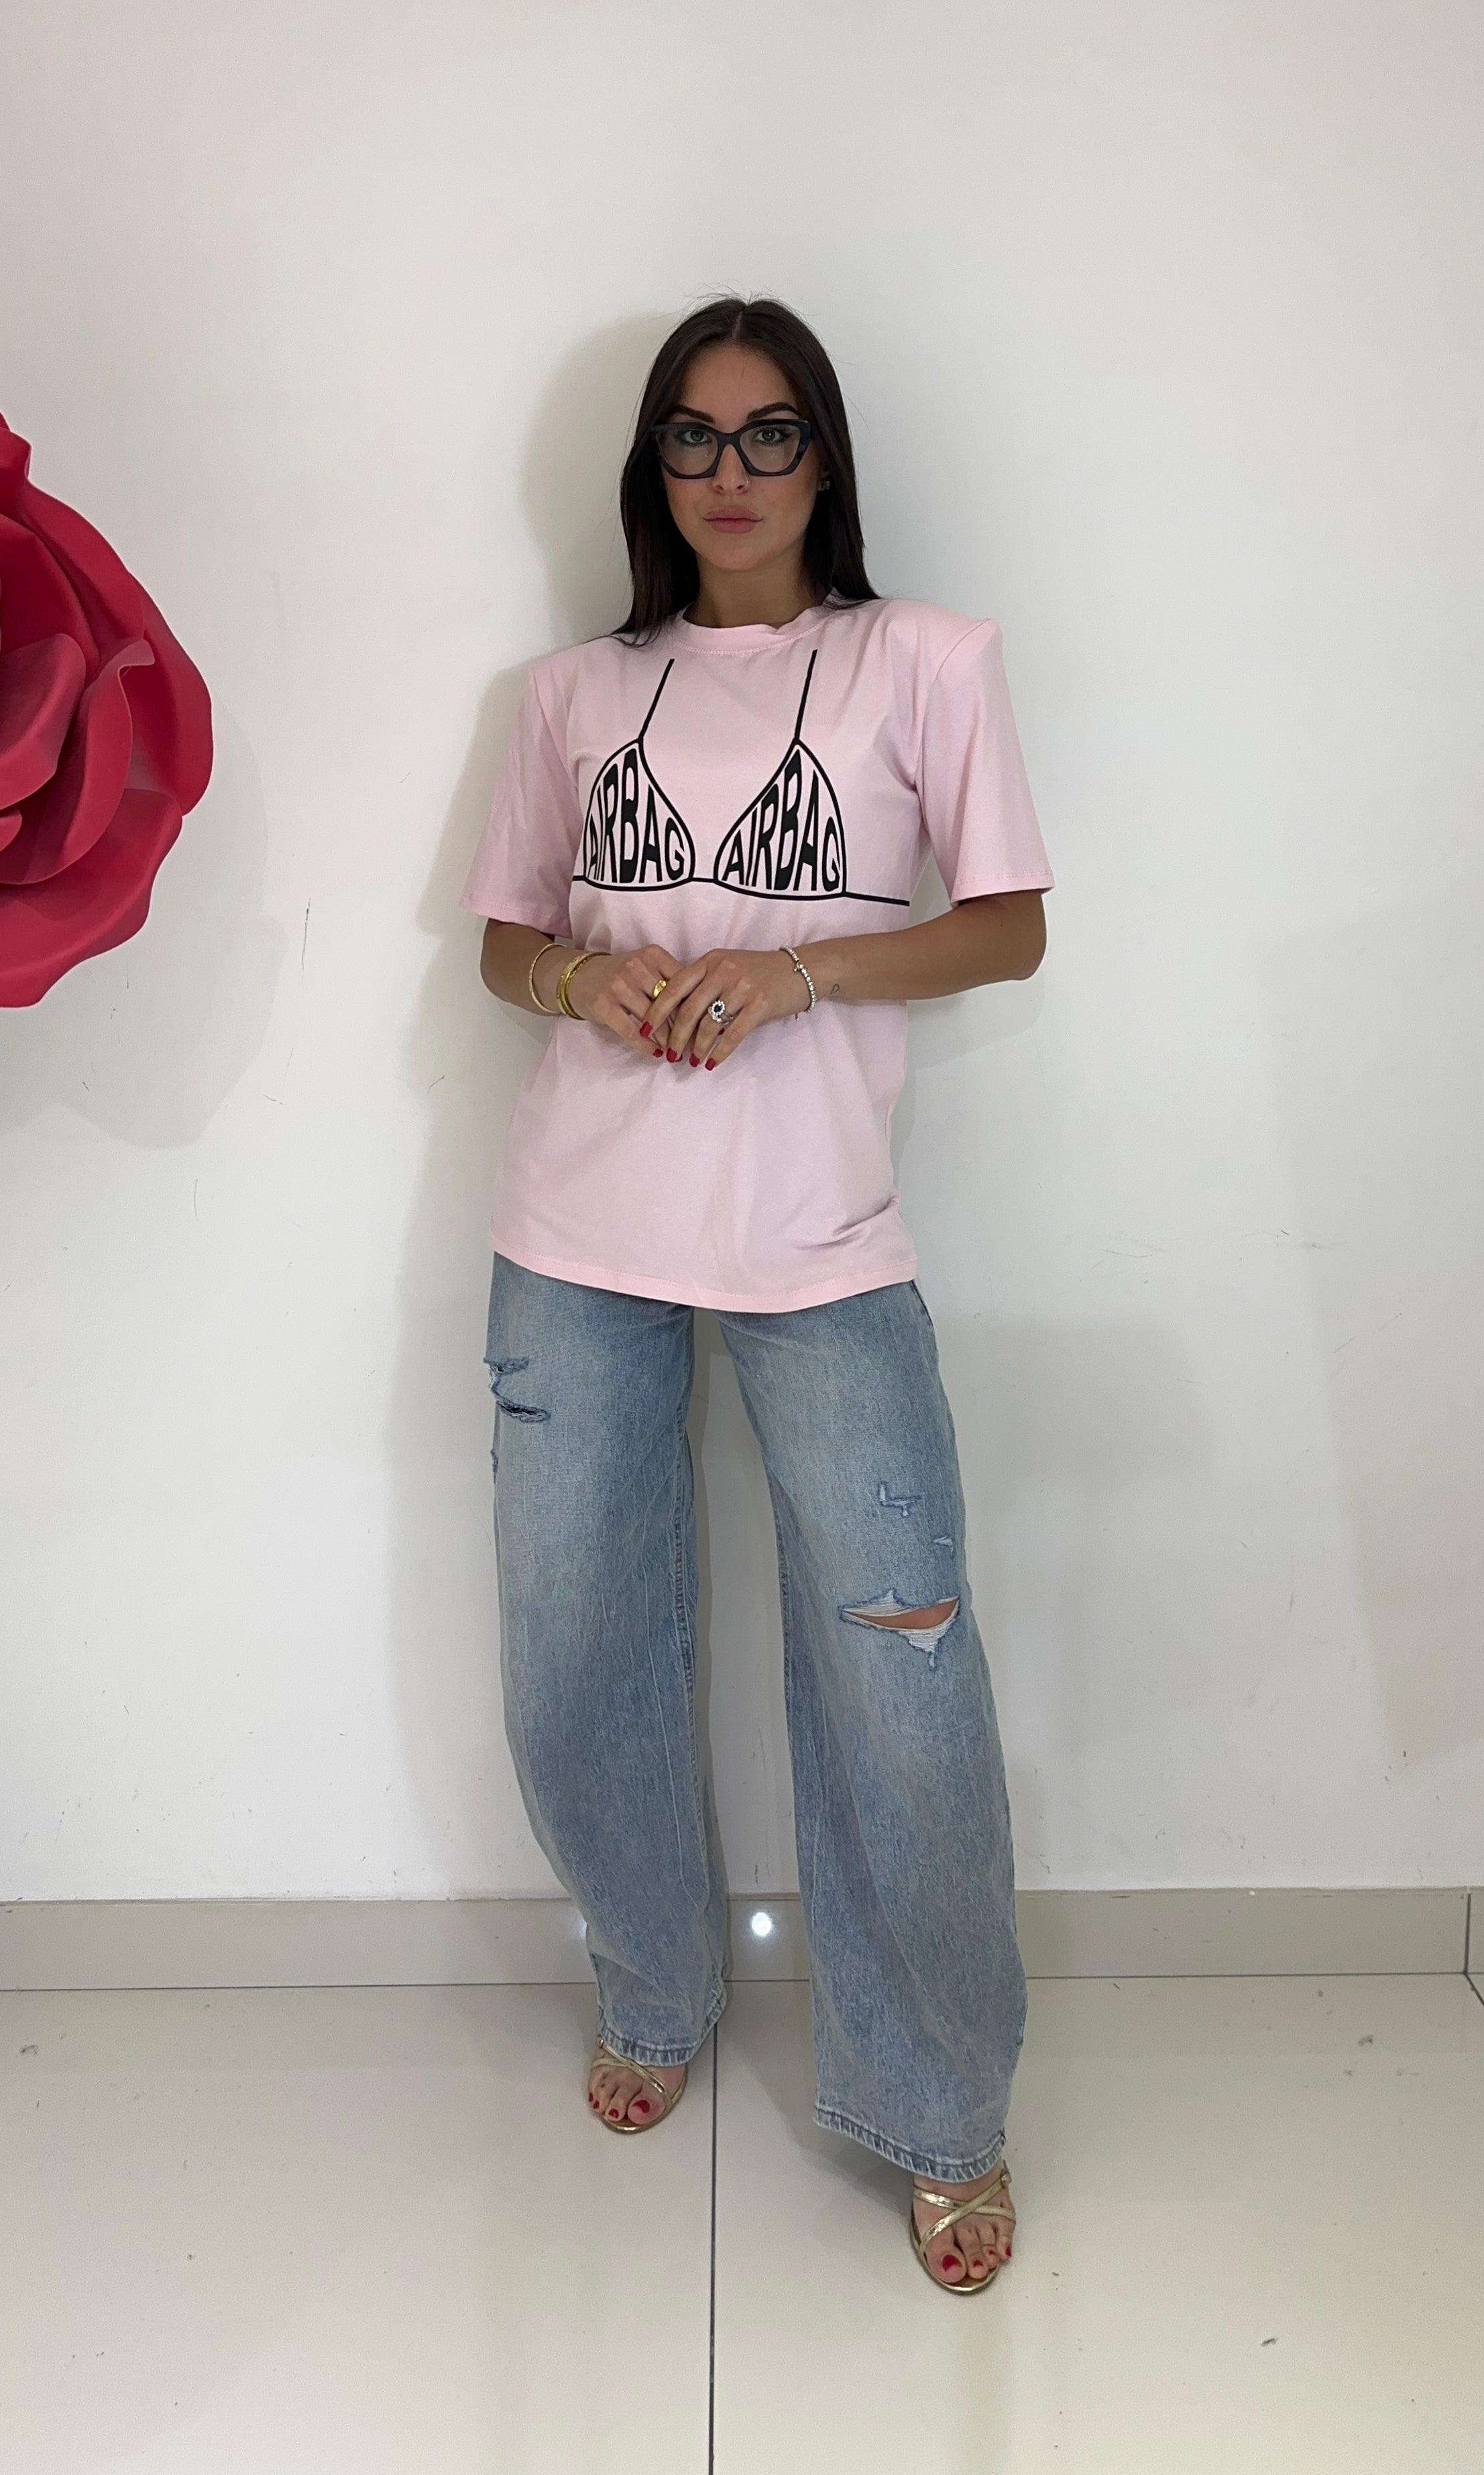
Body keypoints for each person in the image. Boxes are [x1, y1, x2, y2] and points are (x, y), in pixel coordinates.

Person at [461, 296, 1052, 2293]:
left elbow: (1007, 927)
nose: (732, 472)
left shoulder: (924, 661)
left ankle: (940, 2101)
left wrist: (798, 972)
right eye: (695, 438)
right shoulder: (568, 693)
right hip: (574, 1230)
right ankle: (654, 1979)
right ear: (654, 468)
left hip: (819, 1235)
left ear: (825, 457)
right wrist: (585, 976)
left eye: (771, 432)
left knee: (899, 1670)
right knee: (572, 1653)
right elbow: (506, 945)